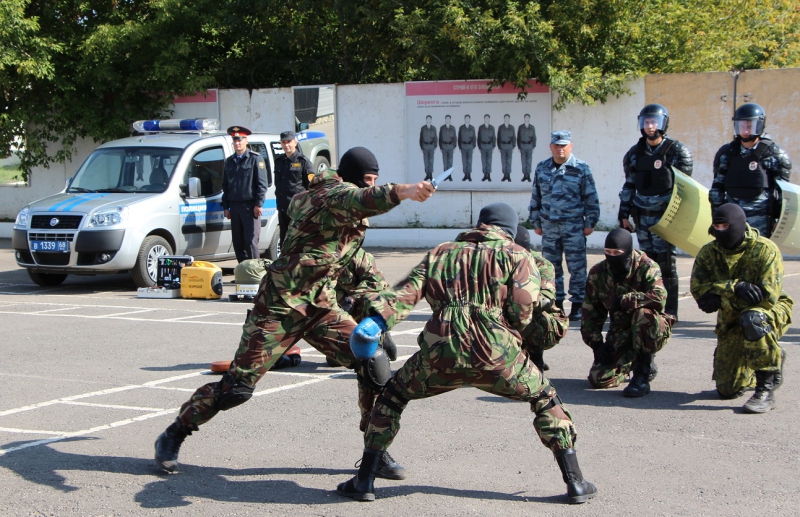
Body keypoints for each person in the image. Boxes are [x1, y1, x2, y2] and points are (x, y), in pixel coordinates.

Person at [154, 147, 435, 475]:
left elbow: (359, 267)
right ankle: (175, 433)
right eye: (367, 180)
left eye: (374, 180)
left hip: (320, 306)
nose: (370, 186)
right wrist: (404, 191)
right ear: (351, 177)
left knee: (373, 362)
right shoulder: (329, 195)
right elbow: (361, 198)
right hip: (280, 304)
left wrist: (377, 319)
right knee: (237, 389)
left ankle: (376, 451)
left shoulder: (344, 215)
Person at [336, 203, 596, 504]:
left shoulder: (442, 252)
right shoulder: (518, 256)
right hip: (497, 356)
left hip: (440, 352)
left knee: (391, 398)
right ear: (509, 230)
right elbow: (522, 310)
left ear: (479, 225)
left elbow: (404, 295)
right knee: (544, 399)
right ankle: (575, 483)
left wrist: (375, 322)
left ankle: (365, 480)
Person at [690, 203, 792, 412]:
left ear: (738, 225)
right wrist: (735, 287)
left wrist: (721, 296)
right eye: (716, 227)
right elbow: (701, 295)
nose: (720, 232)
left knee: (753, 320)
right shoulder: (709, 252)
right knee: (727, 390)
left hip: (771, 311)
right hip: (730, 317)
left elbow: (766, 298)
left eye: (725, 226)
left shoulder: (765, 249)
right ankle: (768, 357)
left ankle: (766, 388)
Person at [618, 104, 693, 320]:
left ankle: (670, 310)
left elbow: (686, 189)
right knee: (647, 263)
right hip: (642, 217)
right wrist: (624, 214)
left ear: (663, 124)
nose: (650, 127)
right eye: (647, 122)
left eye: (654, 122)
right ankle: (650, 306)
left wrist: (680, 219)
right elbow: (629, 186)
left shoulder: (677, 152)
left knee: (667, 263)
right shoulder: (634, 154)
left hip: (666, 218)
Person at [582, 228, 675, 397]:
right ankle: (628, 361)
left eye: (617, 252)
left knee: (643, 314)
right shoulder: (599, 272)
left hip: (650, 327)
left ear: (628, 251)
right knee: (599, 379)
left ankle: (643, 371)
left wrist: (626, 300)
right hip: (621, 330)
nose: (612, 257)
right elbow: (591, 310)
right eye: (607, 252)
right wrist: (596, 344)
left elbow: (659, 297)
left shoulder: (646, 266)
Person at [529, 130, 600, 322]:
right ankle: (555, 302)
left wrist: (590, 222)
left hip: (574, 226)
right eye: (556, 145)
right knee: (551, 267)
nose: (560, 149)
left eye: (564, 145)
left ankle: (577, 304)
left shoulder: (581, 168)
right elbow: (536, 195)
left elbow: (591, 197)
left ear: (571, 146)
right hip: (549, 227)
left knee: (577, 267)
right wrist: (536, 221)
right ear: (551, 147)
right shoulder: (542, 168)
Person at [709, 103, 792, 237]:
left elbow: (784, 194)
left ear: (759, 125)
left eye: (749, 126)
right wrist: (717, 217)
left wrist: (779, 222)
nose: (745, 131)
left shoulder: (774, 155)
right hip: (732, 218)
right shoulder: (727, 153)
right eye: (741, 126)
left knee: (758, 256)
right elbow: (717, 189)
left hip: (761, 220)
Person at [515, 224, 568, 371]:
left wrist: (514, 296)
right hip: (511, 313)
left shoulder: (541, 264)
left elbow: (545, 300)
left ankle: (536, 359)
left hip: (544, 321)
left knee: (525, 311)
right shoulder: (499, 261)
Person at [221, 126, 268, 263]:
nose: (237, 143)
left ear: (246, 141)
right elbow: (226, 186)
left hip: (250, 207)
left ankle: (255, 273)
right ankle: (243, 273)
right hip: (234, 207)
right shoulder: (229, 161)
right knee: (238, 241)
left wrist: (258, 204)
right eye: (235, 140)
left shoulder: (255, 159)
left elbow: (262, 184)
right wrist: (226, 207)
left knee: (250, 241)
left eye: (240, 140)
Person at [274, 130, 313, 250]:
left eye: (289, 142)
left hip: (298, 210)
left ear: (295, 142)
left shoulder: (303, 161)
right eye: (283, 142)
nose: (286, 145)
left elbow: (312, 187)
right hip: (283, 208)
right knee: (285, 241)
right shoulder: (279, 162)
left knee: (298, 242)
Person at [497, 114, 516, 182]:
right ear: (504, 118)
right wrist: (499, 146)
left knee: (509, 161)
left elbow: (514, 137)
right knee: (503, 161)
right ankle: (505, 175)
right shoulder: (501, 127)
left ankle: (508, 175)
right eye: (506, 118)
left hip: (509, 145)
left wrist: (513, 146)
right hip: (503, 145)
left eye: (508, 118)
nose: (507, 119)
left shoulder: (511, 127)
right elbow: (498, 137)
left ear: (509, 119)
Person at [518, 114, 537, 182]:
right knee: (523, 161)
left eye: (528, 117)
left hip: (529, 145)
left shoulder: (532, 127)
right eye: (525, 117)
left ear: (529, 119)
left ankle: (528, 175)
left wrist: (533, 146)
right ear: (524, 118)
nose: (526, 118)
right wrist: (519, 146)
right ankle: (524, 175)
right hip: (522, 145)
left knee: (529, 161)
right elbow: (518, 137)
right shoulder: (521, 127)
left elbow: (534, 137)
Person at [478, 114, 496, 181]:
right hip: (483, 145)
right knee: (484, 161)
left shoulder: (492, 128)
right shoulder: (481, 127)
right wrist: (479, 146)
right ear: (484, 119)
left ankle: (488, 175)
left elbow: (494, 137)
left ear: (489, 119)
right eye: (485, 118)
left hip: (489, 145)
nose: (487, 119)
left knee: (489, 161)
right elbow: (479, 137)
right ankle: (485, 175)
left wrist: (493, 146)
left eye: (488, 118)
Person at [419, 115, 438, 181]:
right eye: (428, 119)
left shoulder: (433, 128)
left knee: (431, 161)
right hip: (425, 145)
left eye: (430, 119)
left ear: (431, 120)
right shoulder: (423, 128)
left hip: (431, 145)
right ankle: (427, 174)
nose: (429, 120)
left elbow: (435, 138)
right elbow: (421, 138)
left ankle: (431, 174)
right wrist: (421, 147)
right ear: (426, 120)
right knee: (426, 161)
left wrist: (435, 146)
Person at [458, 115, 476, 181]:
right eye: (466, 118)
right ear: (464, 119)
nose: (467, 119)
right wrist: (460, 147)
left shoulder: (472, 128)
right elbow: (459, 138)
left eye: (468, 118)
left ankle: (469, 175)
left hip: (470, 145)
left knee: (469, 161)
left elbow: (474, 137)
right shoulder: (461, 128)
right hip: (463, 145)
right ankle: (465, 175)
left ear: (469, 119)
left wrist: (474, 146)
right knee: (464, 161)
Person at [439, 115, 456, 180]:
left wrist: (454, 146)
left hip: (450, 145)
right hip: (444, 145)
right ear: (445, 119)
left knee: (450, 161)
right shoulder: (442, 128)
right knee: (445, 161)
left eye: (449, 118)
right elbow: (440, 138)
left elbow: (455, 138)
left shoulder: (453, 128)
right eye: (447, 118)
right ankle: (445, 176)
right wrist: (440, 147)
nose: (448, 119)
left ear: (450, 119)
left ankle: (449, 175)